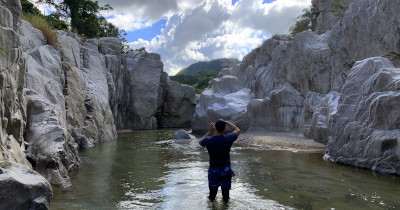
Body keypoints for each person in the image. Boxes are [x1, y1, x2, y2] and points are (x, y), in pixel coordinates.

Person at [199, 119, 240, 202]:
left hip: (213, 170)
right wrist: (226, 122)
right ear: (224, 129)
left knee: (211, 198)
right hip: (226, 169)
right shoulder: (228, 138)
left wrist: (210, 131)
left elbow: (200, 141)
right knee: (226, 198)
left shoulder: (208, 140)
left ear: (215, 127)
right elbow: (237, 130)